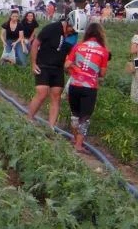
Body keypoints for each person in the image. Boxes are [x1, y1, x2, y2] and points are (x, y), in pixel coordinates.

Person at [65, 23, 109, 153]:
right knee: (84, 117)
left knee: (75, 114)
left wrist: (76, 69)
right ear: (101, 34)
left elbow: (67, 64)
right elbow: (102, 73)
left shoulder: (78, 46)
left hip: (74, 84)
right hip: (89, 87)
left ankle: (74, 139)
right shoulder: (103, 51)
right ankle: (78, 145)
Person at [27, 17, 76, 127]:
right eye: (71, 29)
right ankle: (29, 118)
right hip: (43, 65)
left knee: (56, 96)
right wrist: (33, 63)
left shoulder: (73, 35)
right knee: (42, 93)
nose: (72, 32)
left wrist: (69, 67)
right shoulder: (51, 28)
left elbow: (71, 52)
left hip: (58, 68)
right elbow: (35, 44)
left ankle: (51, 127)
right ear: (68, 23)